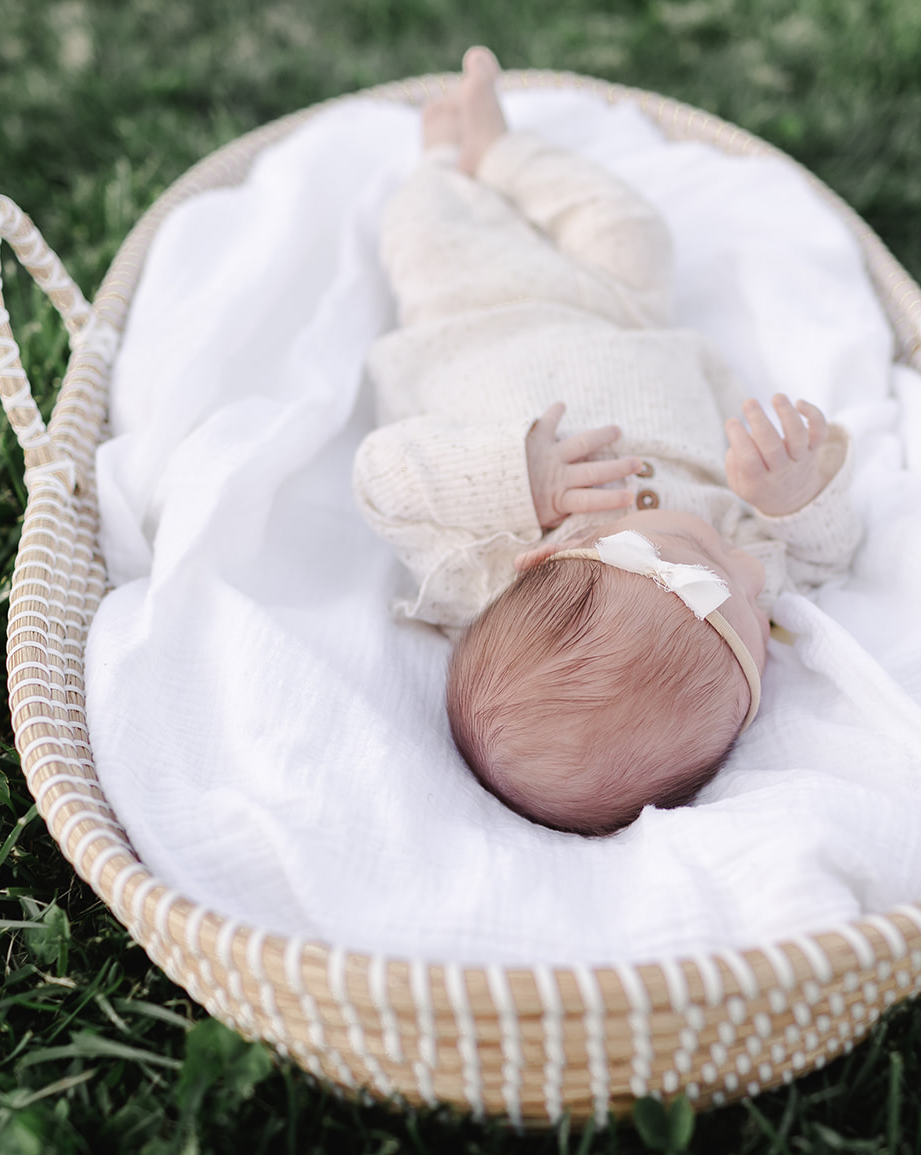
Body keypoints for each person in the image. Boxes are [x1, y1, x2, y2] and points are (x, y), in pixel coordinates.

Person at [353, 48, 860, 834]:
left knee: (425, 231)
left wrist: (519, 477)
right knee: (632, 232)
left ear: (553, 553)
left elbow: (383, 475)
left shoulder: (477, 562)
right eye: (758, 631)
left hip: (467, 315)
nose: (751, 569)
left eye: (712, 562)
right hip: (624, 315)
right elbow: (826, 555)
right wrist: (794, 498)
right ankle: (503, 154)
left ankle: (447, 159)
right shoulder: (743, 565)